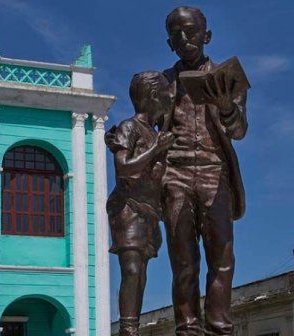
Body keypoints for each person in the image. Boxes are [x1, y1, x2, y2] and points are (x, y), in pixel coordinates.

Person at [160, 6, 248, 335]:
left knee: (222, 256)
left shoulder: (229, 78)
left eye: (192, 31)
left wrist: (226, 106)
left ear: (206, 35)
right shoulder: (161, 83)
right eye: (176, 34)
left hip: (215, 171)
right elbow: (145, 125)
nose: (185, 39)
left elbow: (239, 131)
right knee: (183, 261)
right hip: (176, 174)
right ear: (169, 42)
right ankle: (187, 329)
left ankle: (219, 329)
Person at [106, 71, 175, 336]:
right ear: (154, 97)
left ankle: (131, 324)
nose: (169, 102)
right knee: (132, 268)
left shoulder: (155, 132)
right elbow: (123, 169)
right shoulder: (129, 127)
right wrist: (156, 149)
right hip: (128, 206)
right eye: (166, 97)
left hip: (149, 211)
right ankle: (127, 329)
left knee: (141, 272)